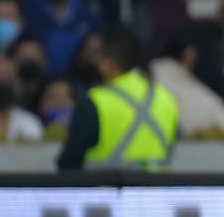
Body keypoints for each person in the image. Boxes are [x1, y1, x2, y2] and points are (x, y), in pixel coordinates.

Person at [57, 28, 179, 170]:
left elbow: (69, 164)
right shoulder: (166, 97)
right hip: (158, 184)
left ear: (108, 63)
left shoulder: (95, 102)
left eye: (98, 57)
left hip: (105, 184)